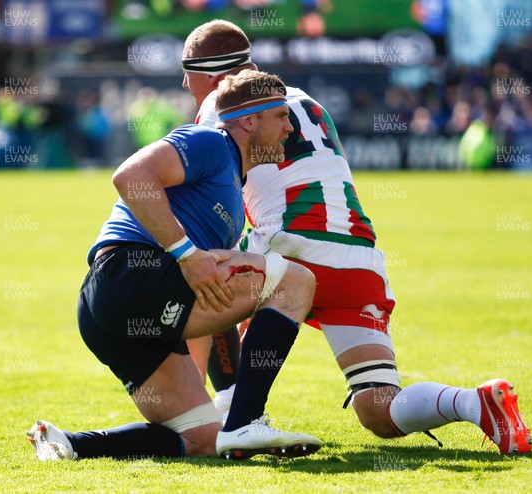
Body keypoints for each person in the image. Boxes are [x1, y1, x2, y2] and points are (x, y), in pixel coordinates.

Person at [181, 20, 532, 455]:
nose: (184, 82)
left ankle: (224, 420)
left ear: (214, 75)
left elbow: (219, 205)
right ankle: (474, 402)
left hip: (292, 248)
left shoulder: (225, 104)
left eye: (188, 71)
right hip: (358, 258)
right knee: (378, 409)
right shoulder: (307, 102)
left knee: (205, 280)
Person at [26, 69, 322, 461]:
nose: (290, 126)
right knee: (297, 282)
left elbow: (213, 297)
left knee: (202, 439)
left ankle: (69, 443)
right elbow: (130, 176)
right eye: (281, 116)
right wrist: (186, 252)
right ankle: (247, 420)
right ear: (249, 120)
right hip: (133, 276)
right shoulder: (210, 141)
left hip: (107, 308)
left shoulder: (233, 178)